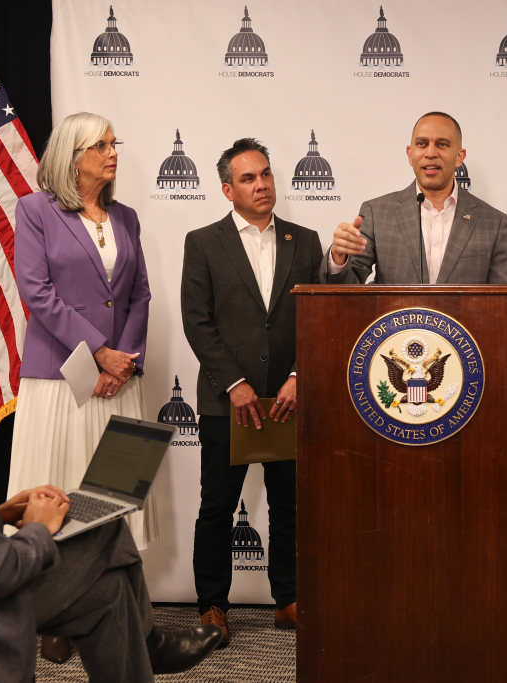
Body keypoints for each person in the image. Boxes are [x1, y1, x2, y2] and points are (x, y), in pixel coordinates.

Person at [0, 281, 223, 682]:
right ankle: (150, 643)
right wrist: (39, 527)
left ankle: (149, 642)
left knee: (106, 587)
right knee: (105, 541)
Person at [9, 112, 154, 663]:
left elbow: (140, 294)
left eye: (115, 143)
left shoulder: (128, 216)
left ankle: (116, 608)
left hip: (119, 380)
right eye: (101, 145)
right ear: (73, 155)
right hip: (60, 377)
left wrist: (125, 362)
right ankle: (55, 613)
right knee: (62, 489)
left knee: (113, 499)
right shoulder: (35, 210)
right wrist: (98, 351)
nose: (113, 152)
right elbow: (36, 292)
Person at [181, 138, 322, 646]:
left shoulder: (304, 241)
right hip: (228, 403)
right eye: (248, 178)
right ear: (227, 189)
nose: (261, 184)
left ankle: (288, 599)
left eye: (265, 174)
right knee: (218, 507)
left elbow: (317, 320)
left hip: (287, 399)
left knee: (291, 505)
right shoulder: (203, 242)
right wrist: (236, 384)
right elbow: (197, 322)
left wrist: (298, 377)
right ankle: (213, 607)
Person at [322, 111, 507, 348]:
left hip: (467, 358)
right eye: (422, 144)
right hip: (392, 351)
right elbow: (345, 291)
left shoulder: (492, 222)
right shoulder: (376, 212)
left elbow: (504, 302)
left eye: (442, 144)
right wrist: (339, 257)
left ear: (459, 156)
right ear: (410, 154)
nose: (430, 152)